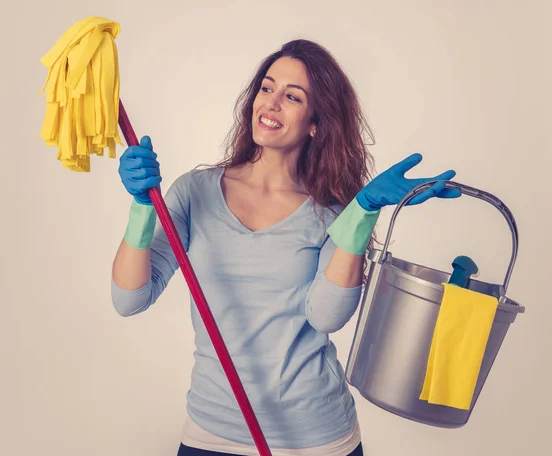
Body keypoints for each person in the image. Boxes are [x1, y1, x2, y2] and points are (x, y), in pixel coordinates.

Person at [111, 39, 460, 456]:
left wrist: (362, 211)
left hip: (318, 439)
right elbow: (129, 297)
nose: (271, 103)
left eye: (292, 97)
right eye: (267, 88)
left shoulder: (333, 212)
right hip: (211, 432)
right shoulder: (194, 192)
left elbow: (326, 314)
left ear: (316, 121)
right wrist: (141, 207)